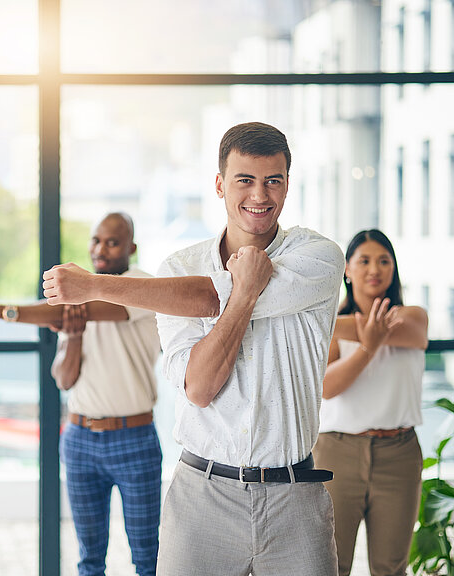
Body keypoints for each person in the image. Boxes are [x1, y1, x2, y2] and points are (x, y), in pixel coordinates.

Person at [42, 122, 346, 575]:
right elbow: (200, 388)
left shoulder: (317, 257)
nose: (260, 195)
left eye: (273, 180)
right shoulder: (178, 268)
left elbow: (208, 295)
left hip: (295, 499)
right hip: (202, 497)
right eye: (245, 179)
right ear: (220, 184)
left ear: (288, 183)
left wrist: (93, 286)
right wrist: (244, 294)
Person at [0, 212, 162, 576]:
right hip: (80, 440)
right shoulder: (78, 301)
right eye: (96, 240)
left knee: (147, 558)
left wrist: (0, 312)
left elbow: (89, 311)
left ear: (131, 248)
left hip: (134, 439)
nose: (101, 249)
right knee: (89, 560)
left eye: (113, 242)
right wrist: (73, 336)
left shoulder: (138, 284)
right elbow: (63, 377)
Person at [312, 229, 428, 576]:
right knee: (332, 564)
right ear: (347, 269)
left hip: (400, 454)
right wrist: (369, 345)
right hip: (338, 453)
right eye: (363, 261)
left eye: (383, 260)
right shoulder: (332, 325)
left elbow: (412, 334)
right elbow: (328, 388)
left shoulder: (413, 317)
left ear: (393, 268)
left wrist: (344, 328)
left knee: (391, 567)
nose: (374, 268)